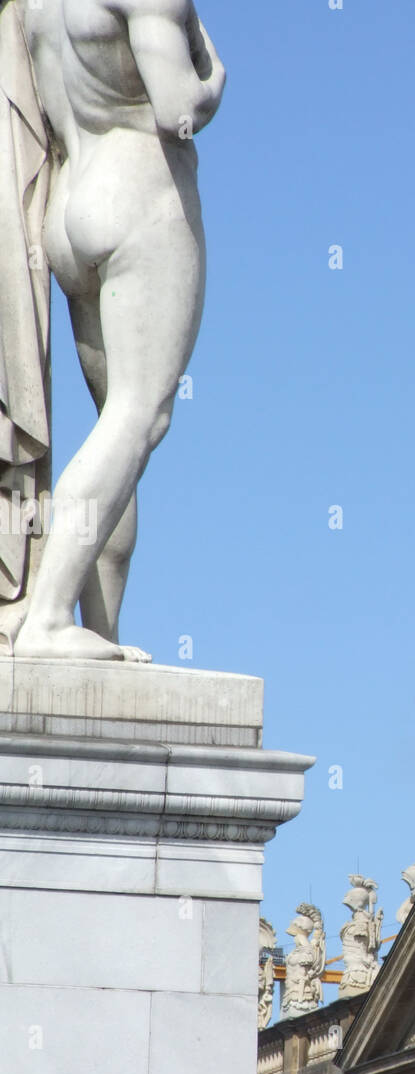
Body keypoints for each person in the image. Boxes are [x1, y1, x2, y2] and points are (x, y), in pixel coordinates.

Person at [10, 0, 224, 660]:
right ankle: (48, 616)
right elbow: (177, 111)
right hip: (138, 191)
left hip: (71, 203)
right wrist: (215, 75)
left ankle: (97, 632)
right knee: (137, 420)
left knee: (117, 425)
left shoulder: (36, 7)